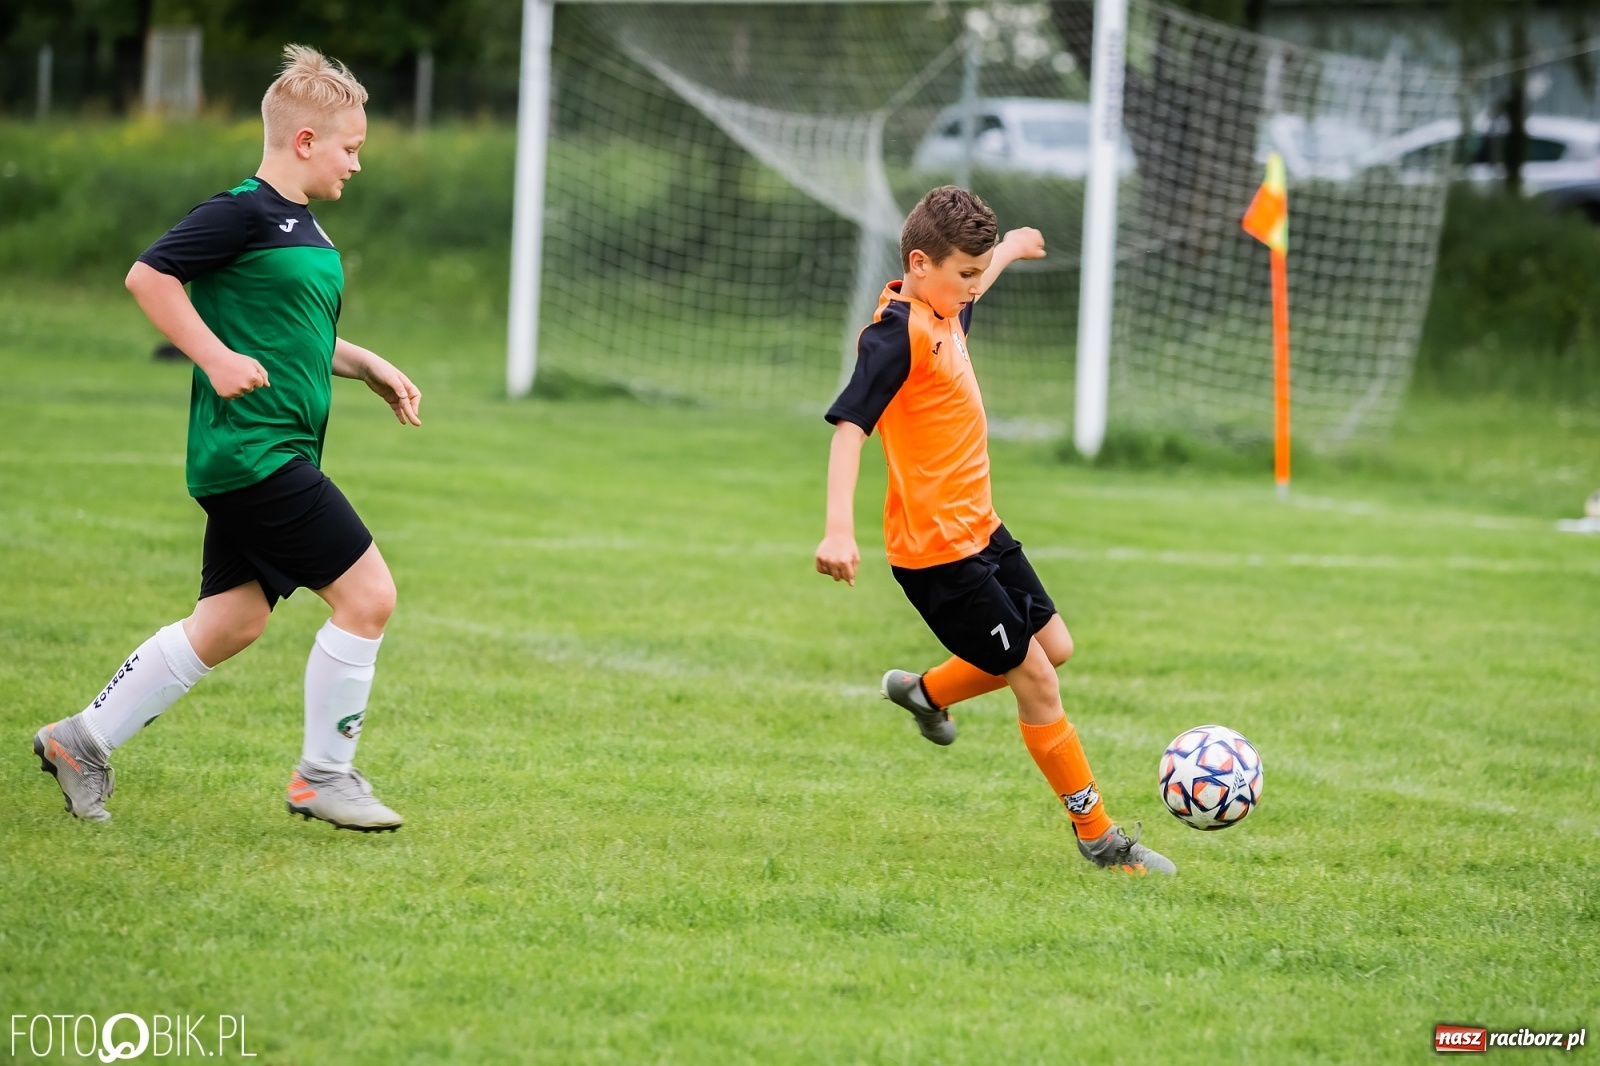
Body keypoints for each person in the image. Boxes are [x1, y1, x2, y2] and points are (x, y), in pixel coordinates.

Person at [31, 45, 420, 832]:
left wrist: (363, 362)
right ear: (304, 141)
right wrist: (212, 356)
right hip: (254, 455)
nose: (356, 163)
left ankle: (82, 740)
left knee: (233, 621)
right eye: (351, 147)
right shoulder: (242, 210)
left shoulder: (302, 227)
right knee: (369, 596)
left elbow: (284, 334)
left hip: (268, 453)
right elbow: (150, 276)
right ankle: (323, 776)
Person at [813, 185, 1175, 875]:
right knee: (1036, 678)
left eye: (978, 276)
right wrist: (838, 530)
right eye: (965, 275)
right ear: (921, 264)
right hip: (937, 554)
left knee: (1055, 647)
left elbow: (975, 281)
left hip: (981, 528)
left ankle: (925, 692)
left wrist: (1007, 249)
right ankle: (1099, 838)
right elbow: (850, 428)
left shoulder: (946, 307)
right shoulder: (899, 333)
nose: (974, 289)